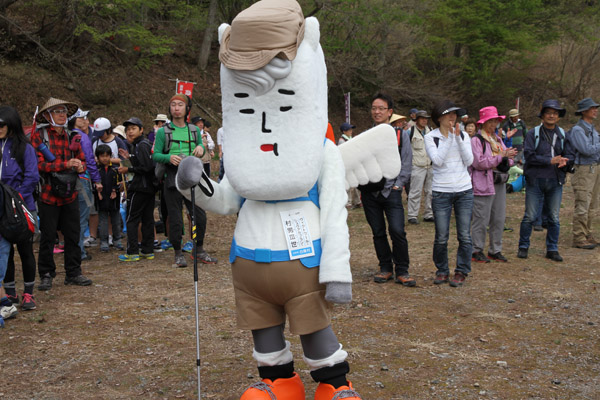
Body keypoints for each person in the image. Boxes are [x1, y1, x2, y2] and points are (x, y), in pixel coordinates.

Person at [30, 97, 92, 290]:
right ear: (48, 115)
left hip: (70, 192)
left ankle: (74, 272)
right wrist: (65, 164)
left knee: (73, 234)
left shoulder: (72, 136)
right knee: (48, 236)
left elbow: (82, 160)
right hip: (48, 193)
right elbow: (38, 165)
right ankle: (46, 274)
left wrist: (80, 166)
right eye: (57, 111)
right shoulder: (39, 136)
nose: (62, 115)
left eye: (64, 111)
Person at [153, 93, 217, 267]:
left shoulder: (194, 130)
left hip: (192, 177)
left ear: (186, 108)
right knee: (175, 218)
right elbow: (156, 154)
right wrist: (169, 158)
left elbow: (203, 150)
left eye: (180, 104)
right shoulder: (162, 132)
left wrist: (200, 147)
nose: (176, 108)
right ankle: (178, 253)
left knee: (199, 216)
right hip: (172, 177)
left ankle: (199, 249)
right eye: (173, 104)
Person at [361, 93, 414, 286]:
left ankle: (402, 269)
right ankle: (385, 268)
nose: (377, 112)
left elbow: (407, 162)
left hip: (391, 190)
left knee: (397, 230)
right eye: (374, 108)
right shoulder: (365, 136)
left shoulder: (400, 135)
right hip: (369, 192)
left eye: (381, 108)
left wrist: (398, 185)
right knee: (378, 231)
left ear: (389, 112)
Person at [517, 99, 573, 262]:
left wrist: (566, 161)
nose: (551, 116)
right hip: (535, 180)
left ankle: (552, 249)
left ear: (558, 116)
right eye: (548, 113)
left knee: (554, 217)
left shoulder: (563, 134)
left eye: (555, 113)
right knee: (530, 215)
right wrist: (549, 161)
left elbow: (571, 154)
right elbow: (528, 155)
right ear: (542, 115)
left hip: (556, 181)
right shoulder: (532, 133)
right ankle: (523, 246)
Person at [425, 100, 474, 287]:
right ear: (439, 117)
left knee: (464, 235)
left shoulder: (463, 135)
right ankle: (442, 270)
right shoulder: (431, 137)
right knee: (441, 236)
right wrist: (450, 139)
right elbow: (437, 161)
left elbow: (469, 161)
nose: (453, 117)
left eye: (455, 114)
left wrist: (458, 138)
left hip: (464, 190)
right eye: (448, 114)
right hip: (441, 191)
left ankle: (462, 271)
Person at [0, 106, 39, 311]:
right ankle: (9, 291)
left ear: (11, 124)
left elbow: (32, 177)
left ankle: (29, 293)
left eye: (2, 124)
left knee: (25, 250)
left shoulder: (25, 148)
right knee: (4, 252)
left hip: (23, 208)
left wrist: (17, 199)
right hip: (1, 210)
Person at [470, 106, 517, 263]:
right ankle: (476, 250)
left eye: (496, 121)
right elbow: (479, 162)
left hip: (499, 182)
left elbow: (508, 159)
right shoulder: (477, 140)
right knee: (481, 219)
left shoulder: (497, 139)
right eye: (491, 121)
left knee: (498, 218)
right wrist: (501, 157)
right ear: (483, 123)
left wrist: (506, 157)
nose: (494, 124)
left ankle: (495, 250)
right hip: (483, 184)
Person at [118, 117, 157, 261]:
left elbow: (146, 168)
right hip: (149, 188)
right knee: (147, 219)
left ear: (141, 130)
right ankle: (147, 250)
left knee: (132, 219)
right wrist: (130, 158)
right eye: (128, 129)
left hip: (140, 187)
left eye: (133, 129)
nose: (130, 132)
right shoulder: (140, 145)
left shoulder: (142, 145)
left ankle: (132, 251)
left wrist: (127, 168)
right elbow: (144, 164)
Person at [69, 109, 102, 262]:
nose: (85, 120)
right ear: (75, 120)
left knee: (71, 217)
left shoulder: (66, 135)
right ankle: (79, 252)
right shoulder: (81, 137)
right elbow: (89, 160)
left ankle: (72, 249)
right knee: (82, 216)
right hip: (82, 179)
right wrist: (97, 180)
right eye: (82, 118)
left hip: (66, 180)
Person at [568, 97, 600, 249]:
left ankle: (587, 233)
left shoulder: (592, 129)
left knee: (593, 204)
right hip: (583, 170)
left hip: (594, 168)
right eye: (592, 108)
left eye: (595, 108)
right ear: (584, 111)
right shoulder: (577, 130)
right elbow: (586, 150)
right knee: (583, 203)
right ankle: (579, 237)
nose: (595, 110)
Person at [94, 144, 123, 252]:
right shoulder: (96, 170)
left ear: (111, 156)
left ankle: (117, 240)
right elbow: (93, 184)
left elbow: (120, 183)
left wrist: (116, 189)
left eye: (107, 155)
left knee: (116, 220)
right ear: (97, 157)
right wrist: (97, 190)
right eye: (102, 156)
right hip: (101, 199)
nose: (105, 158)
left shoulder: (115, 170)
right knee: (103, 221)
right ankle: (104, 242)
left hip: (114, 200)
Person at [407, 110, 434, 224]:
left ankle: (429, 214)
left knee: (431, 191)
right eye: (422, 118)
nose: (425, 120)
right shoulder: (410, 131)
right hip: (417, 166)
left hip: (430, 165)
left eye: (426, 118)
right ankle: (412, 215)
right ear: (417, 119)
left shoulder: (431, 131)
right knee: (415, 191)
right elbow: (406, 150)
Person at [337, 122, 361, 209]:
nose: (351, 131)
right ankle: (348, 202)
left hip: (354, 163)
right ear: (344, 131)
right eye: (349, 129)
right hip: (347, 164)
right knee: (348, 184)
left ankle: (357, 201)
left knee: (356, 184)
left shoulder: (351, 138)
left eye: (351, 129)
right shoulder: (342, 140)